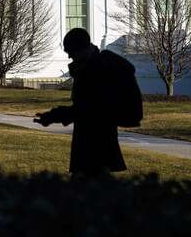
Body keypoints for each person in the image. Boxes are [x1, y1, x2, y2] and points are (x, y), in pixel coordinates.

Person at [34, 28, 126, 178]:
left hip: (95, 143)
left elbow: (87, 108)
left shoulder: (94, 69)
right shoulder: (93, 65)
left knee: (90, 186)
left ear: (79, 50)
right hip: (96, 140)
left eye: (70, 52)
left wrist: (54, 116)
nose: (69, 56)